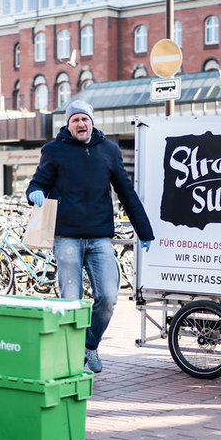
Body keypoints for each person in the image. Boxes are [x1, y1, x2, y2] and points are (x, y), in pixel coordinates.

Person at [26, 100, 154, 373]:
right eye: (75, 120)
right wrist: (33, 193)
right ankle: (70, 357)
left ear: (92, 122)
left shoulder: (109, 151)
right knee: (70, 301)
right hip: (67, 237)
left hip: (99, 238)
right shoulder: (54, 150)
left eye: (85, 119)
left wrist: (144, 230)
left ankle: (89, 346)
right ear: (68, 124)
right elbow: (38, 182)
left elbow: (126, 192)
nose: (81, 124)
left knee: (108, 297)